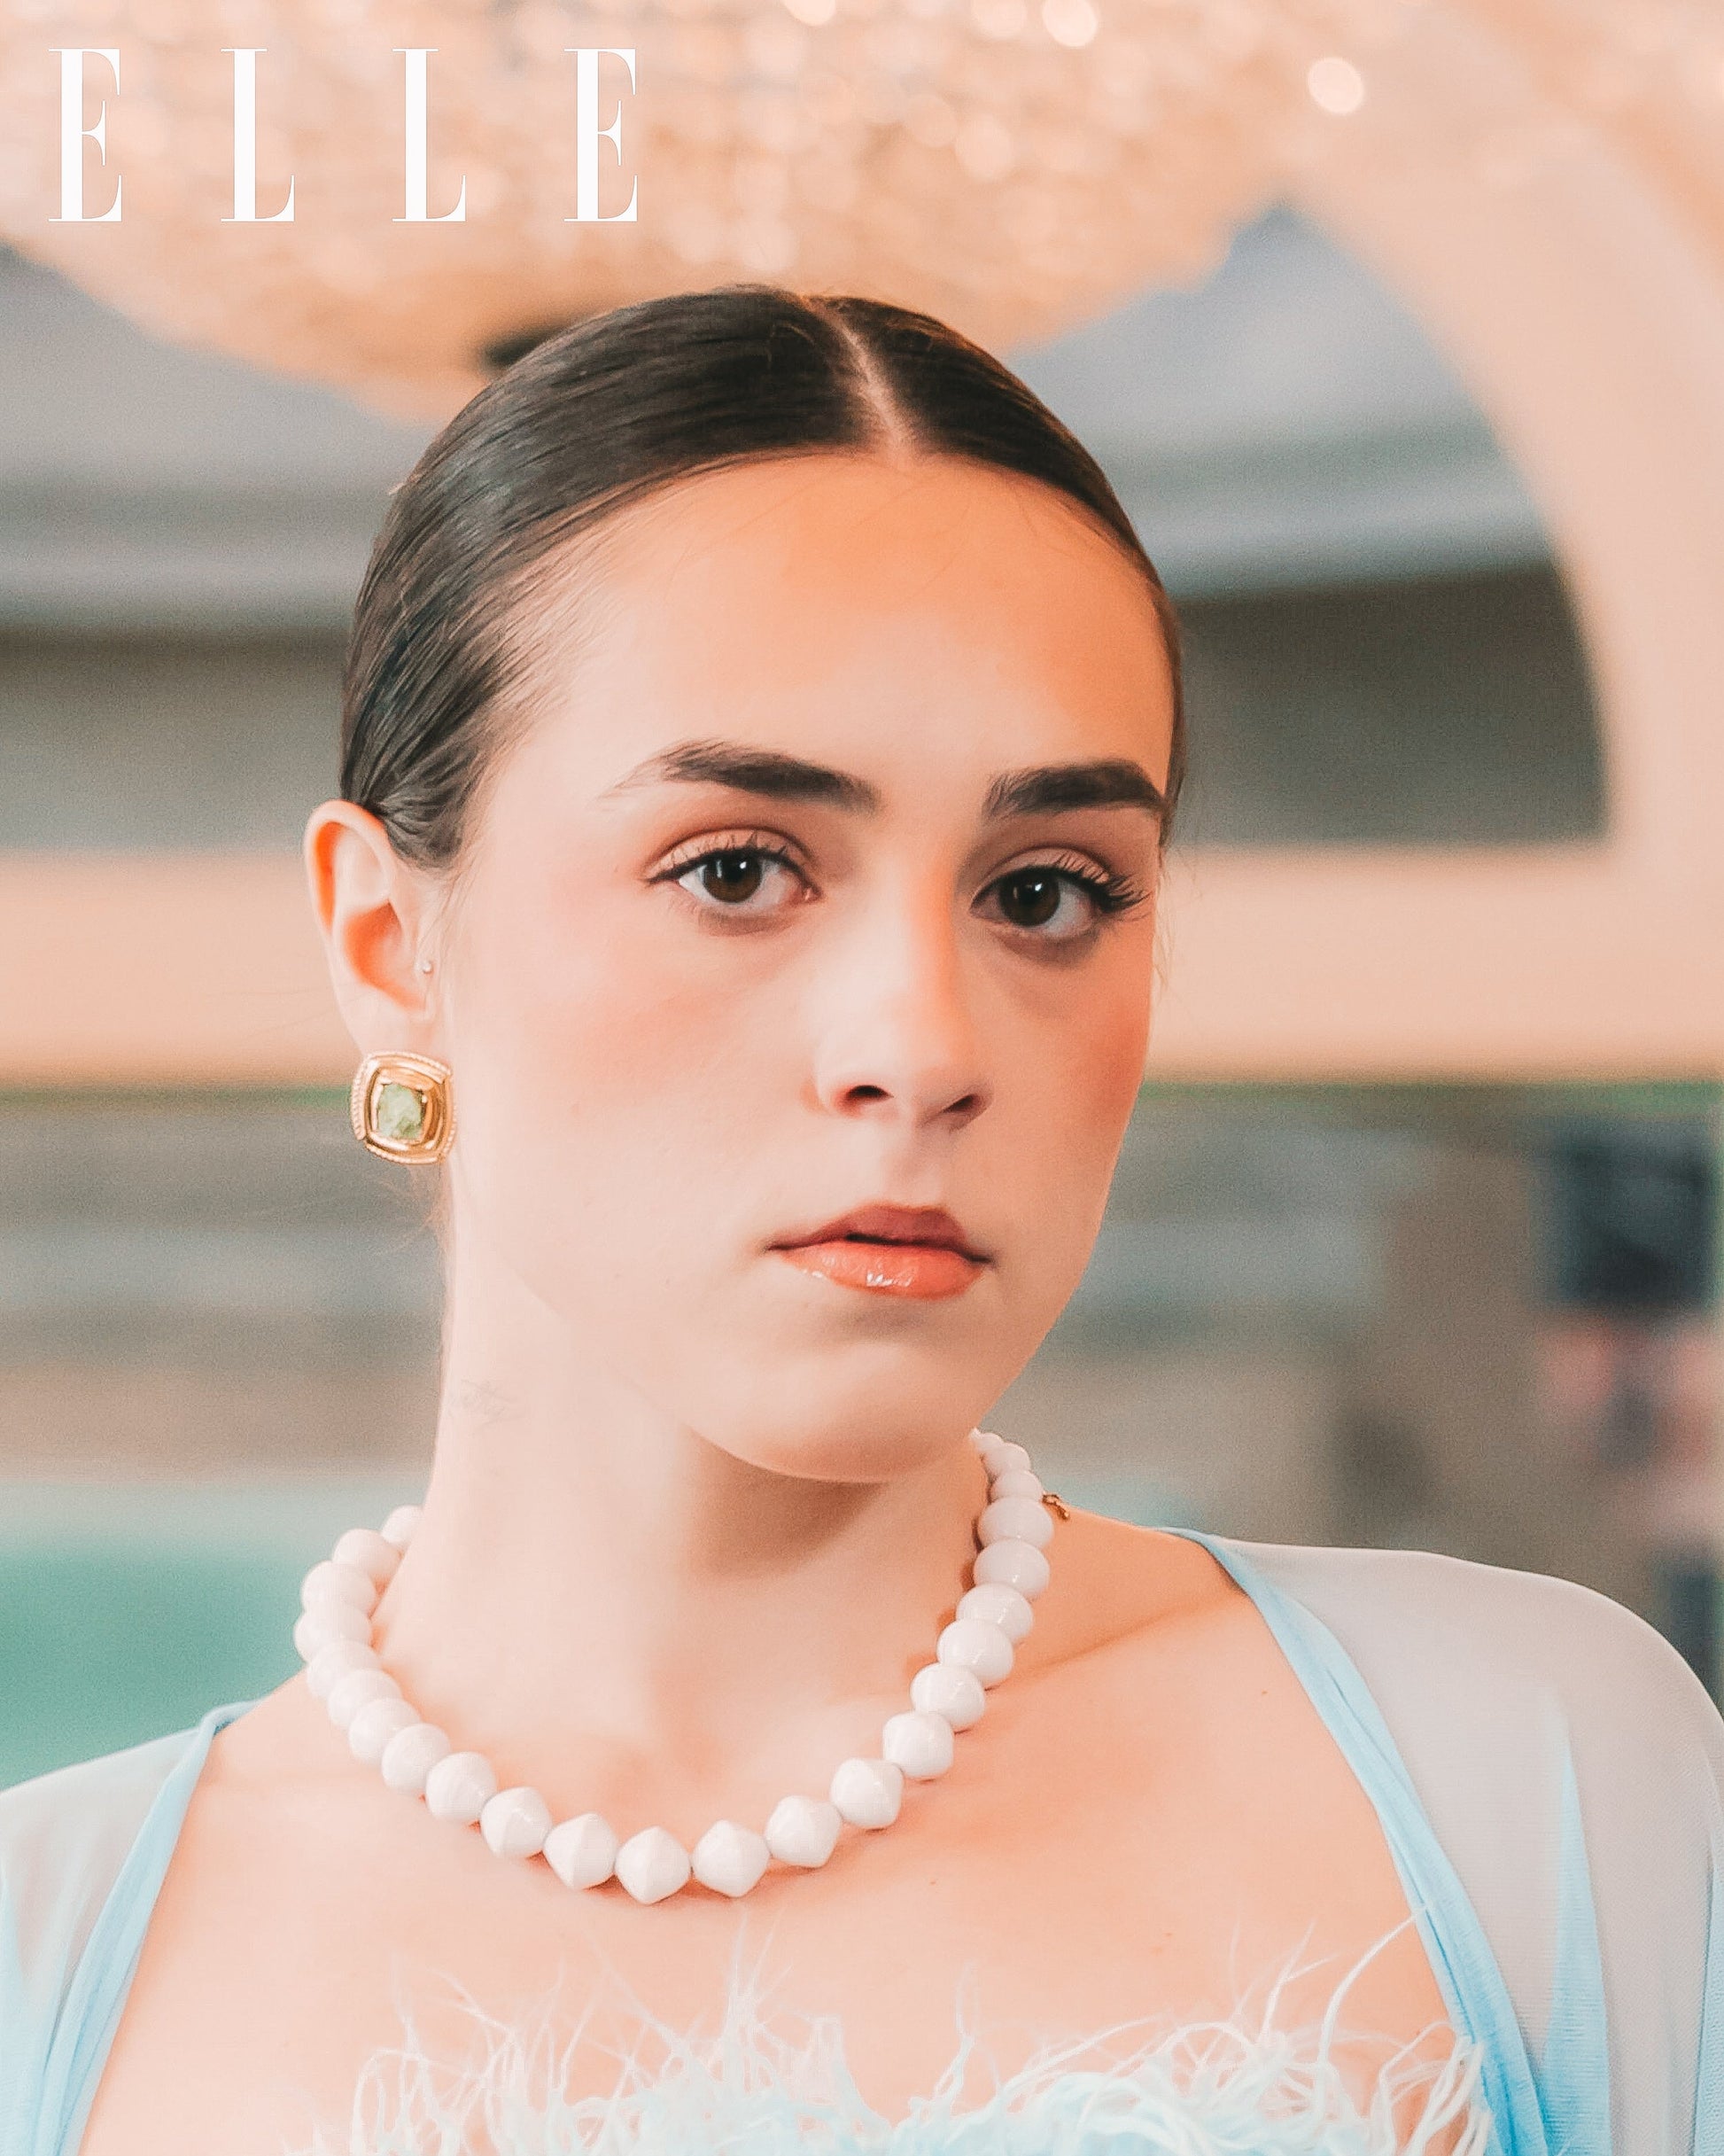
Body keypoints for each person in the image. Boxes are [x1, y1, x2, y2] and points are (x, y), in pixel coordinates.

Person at [3, 286, 1720, 2156]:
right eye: (738, 868)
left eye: (1048, 891)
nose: (921, 1041)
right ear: (385, 942)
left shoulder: (1527, 1776)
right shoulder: (46, 1970)